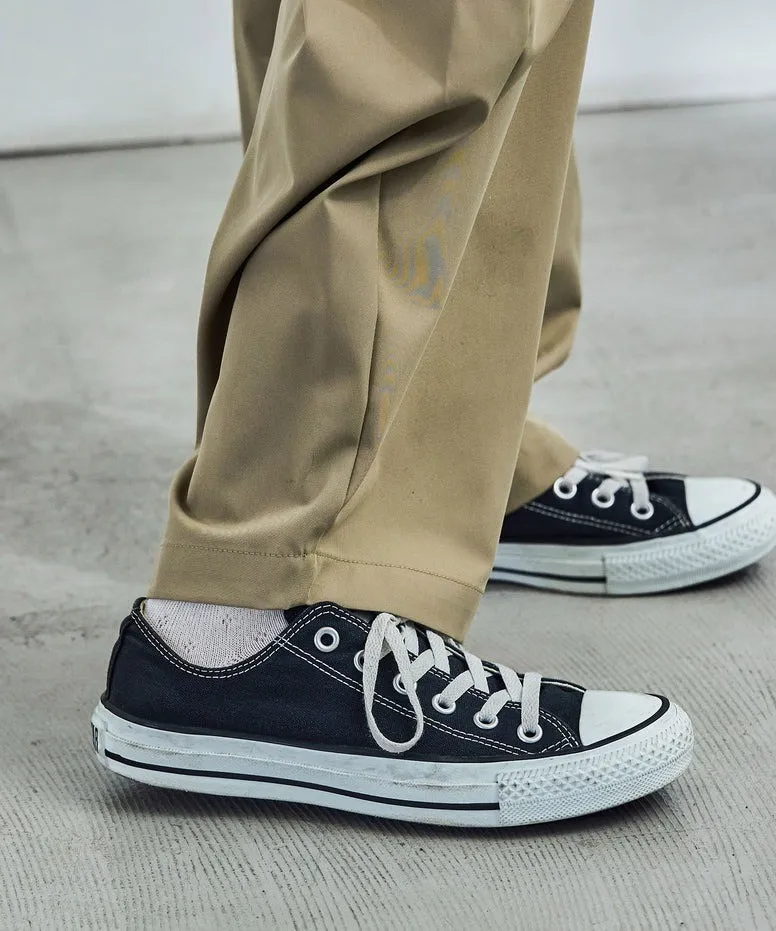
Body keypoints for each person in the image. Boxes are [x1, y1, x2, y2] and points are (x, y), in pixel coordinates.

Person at [91, 0, 774, 827]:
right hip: (279, 587)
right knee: (415, 40)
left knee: (397, 39)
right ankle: (270, 596)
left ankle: (436, 463)